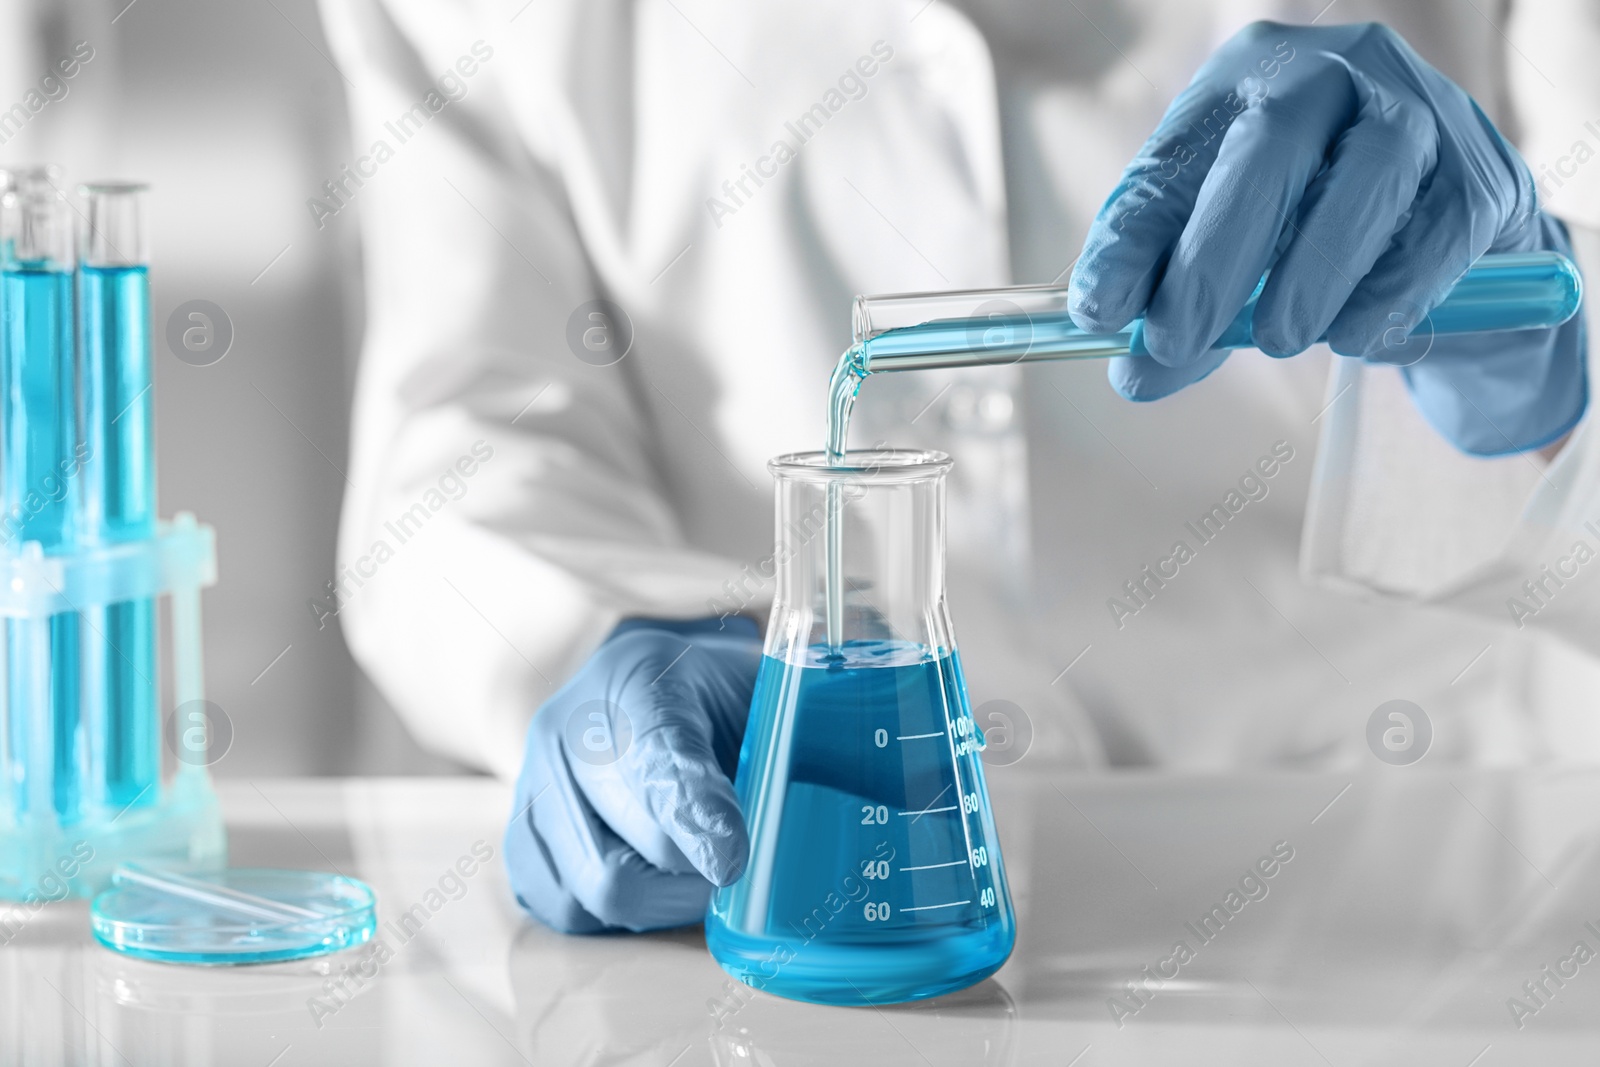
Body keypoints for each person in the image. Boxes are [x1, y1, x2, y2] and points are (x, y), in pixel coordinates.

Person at [319, 0, 1600, 933]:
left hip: (1428, 903)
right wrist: (616, 638)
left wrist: (1541, 375)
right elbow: (470, 443)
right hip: (819, 887)